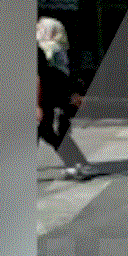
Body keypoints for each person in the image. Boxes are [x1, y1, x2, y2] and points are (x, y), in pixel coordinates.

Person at [37, 45, 100, 181]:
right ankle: (78, 163)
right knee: (49, 133)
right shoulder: (50, 72)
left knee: (54, 133)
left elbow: (67, 90)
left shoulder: (49, 74)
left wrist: (39, 108)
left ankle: (79, 164)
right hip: (57, 105)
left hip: (60, 105)